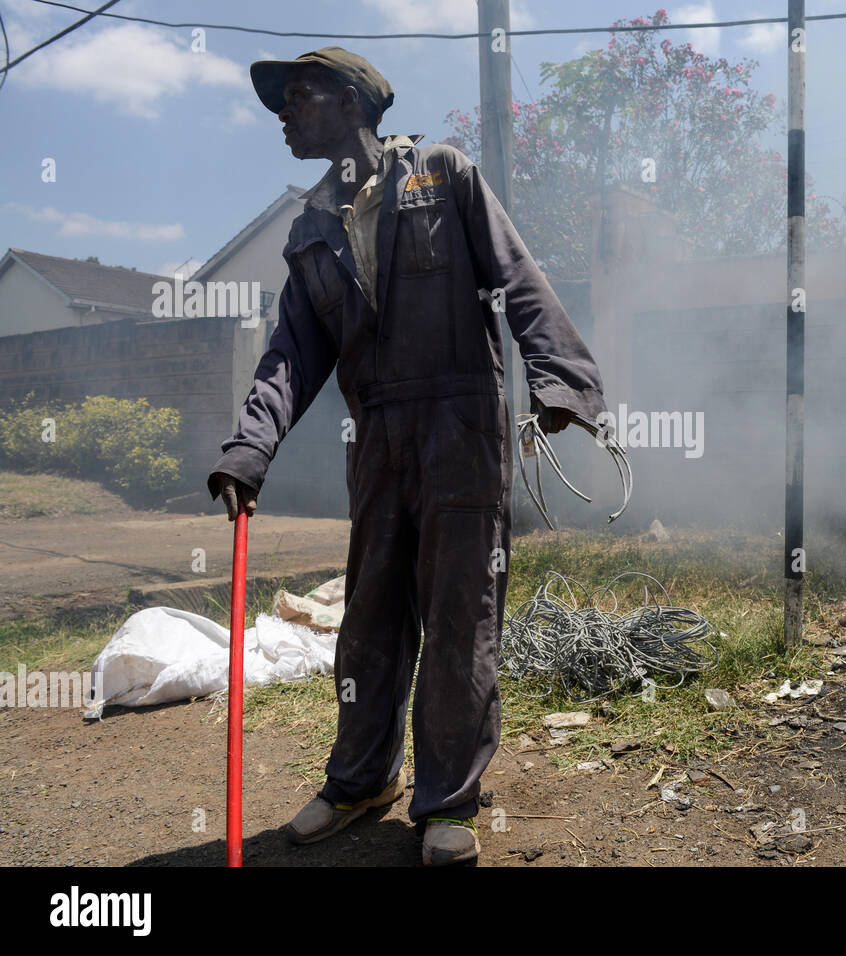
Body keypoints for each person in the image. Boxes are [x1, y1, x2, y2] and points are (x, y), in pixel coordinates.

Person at [209, 47, 608, 866]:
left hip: (460, 423)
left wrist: (560, 380)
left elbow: (517, 276)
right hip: (380, 437)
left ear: (353, 101)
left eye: (300, 96)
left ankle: (449, 801)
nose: (283, 114)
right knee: (369, 621)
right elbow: (290, 355)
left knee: (460, 618)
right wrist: (250, 448)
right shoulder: (309, 230)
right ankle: (361, 781)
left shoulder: (442, 174)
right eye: (279, 103)